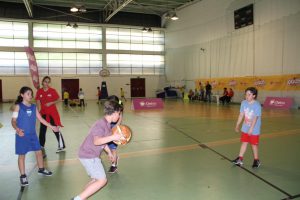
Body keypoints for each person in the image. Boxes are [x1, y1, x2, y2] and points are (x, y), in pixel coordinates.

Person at [72, 100, 124, 200]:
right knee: (102, 180)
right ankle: (78, 199)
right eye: (119, 113)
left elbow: (103, 141)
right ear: (113, 113)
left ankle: (82, 197)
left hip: (87, 154)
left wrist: (109, 152)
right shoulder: (101, 124)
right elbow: (97, 141)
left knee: (96, 179)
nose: (119, 116)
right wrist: (113, 137)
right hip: (89, 155)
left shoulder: (107, 124)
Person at [12, 86, 58, 186]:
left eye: (31, 94)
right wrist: (17, 129)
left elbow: (41, 119)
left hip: (33, 135)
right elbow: (13, 121)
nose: (30, 96)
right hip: (22, 135)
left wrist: (51, 126)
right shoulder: (18, 106)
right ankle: (23, 176)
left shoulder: (33, 107)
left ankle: (41, 169)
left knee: (39, 152)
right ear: (22, 95)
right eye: (28, 94)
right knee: (22, 156)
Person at [36, 76, 66, 157]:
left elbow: (59, 99)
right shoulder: (39, 91)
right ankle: (41, 145)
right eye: (45, 81)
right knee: (42, 129)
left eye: (48, 82)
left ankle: (61, 145)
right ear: (42, 82)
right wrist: (39, 111)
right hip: (44, 113)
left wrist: (51, 103)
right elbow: (38, 101)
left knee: (55, 128)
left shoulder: (52, 91)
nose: (47, 83)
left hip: (52, 113)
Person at [232, 87, 262, 168]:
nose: (247, 96)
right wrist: (237, 125)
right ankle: (240, 159)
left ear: (254, 96)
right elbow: (241, 115)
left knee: (253, 145)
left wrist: (251, 129)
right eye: (246, 94)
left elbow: (255, 118)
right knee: (244, 142)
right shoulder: (243, 103)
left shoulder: (257, 105)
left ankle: (256, 160)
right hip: (245, 127)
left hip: (254, 129)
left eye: (249, 94)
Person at [106, 95, 124, 173]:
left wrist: (115, 129)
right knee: (108, 147)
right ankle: (115, 157)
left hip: (115, 129)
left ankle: (114, 165)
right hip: (108, 127)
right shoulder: (110, 109)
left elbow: (120, 120)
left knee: (113, 148)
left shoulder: (119, 109)